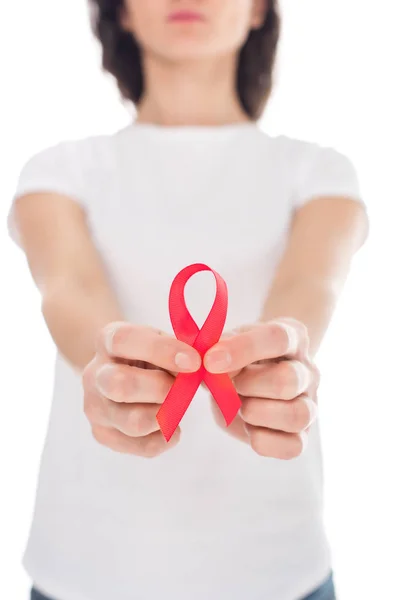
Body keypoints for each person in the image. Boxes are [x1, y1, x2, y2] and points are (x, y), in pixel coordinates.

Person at [7, 1, 369, 599]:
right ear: (119, 13)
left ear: (259, 10)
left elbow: (311, 287)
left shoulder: (318, 172)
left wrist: (281, 357)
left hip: (280, 575)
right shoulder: (61, 170)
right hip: (84, 573)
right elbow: (68, 290)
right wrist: (109, 367)